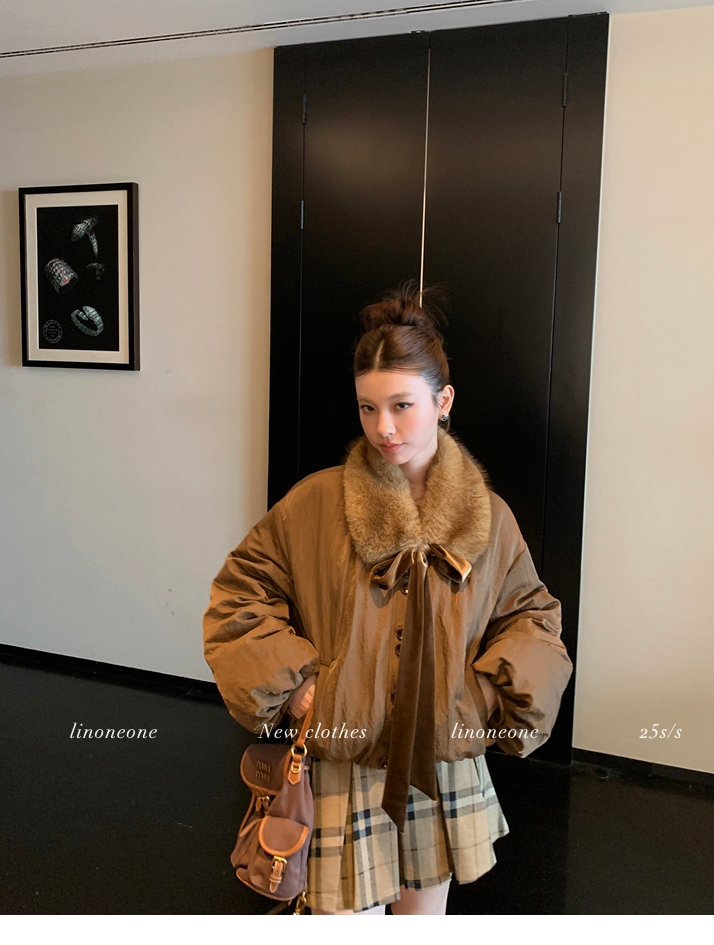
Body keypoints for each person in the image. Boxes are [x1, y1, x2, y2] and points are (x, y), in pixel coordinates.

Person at [203, 281, 573, 915]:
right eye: (367, 408)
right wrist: (299, 686)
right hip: (342, 756)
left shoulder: (489, 517)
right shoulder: (315, 504)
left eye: (402, 405)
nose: (384, 427)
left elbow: (532, 616)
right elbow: (239, 595)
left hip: (440, 762)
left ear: (443, 401)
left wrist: (484, 695)